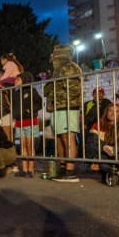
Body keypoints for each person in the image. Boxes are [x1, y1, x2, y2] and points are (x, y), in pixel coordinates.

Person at [43, 44, 82, 182]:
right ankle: (63, 167)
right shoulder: (56, 70)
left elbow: (73, 89)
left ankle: (70, 171)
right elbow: (47, 90)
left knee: (68, 136)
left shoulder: (69, 67)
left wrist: (55, 91)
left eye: (54, 53)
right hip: (56, 107)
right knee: (59, 138)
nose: (51, 56)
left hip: (68, 107)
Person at [85, 101, 119, 182]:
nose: (112, 113)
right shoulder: (98, 124)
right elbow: (92, 144)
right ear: (106, 112)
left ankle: (113, 171)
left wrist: (114, 149)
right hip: (102, 155)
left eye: (116, 111)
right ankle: (117, 173)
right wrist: (96, 157)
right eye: (110, 110)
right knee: (97, 160)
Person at [12, 71, 43, 177]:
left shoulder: (31, 91)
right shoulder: (15, 93)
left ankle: (31, 169)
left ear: (24, 80)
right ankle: (24, 170)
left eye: (18, 79)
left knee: (30, 146)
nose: (15, 81)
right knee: (22, 146)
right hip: (19, 122)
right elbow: (14, 107)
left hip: (30, 121)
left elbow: (39, 103)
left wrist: (30, 110)